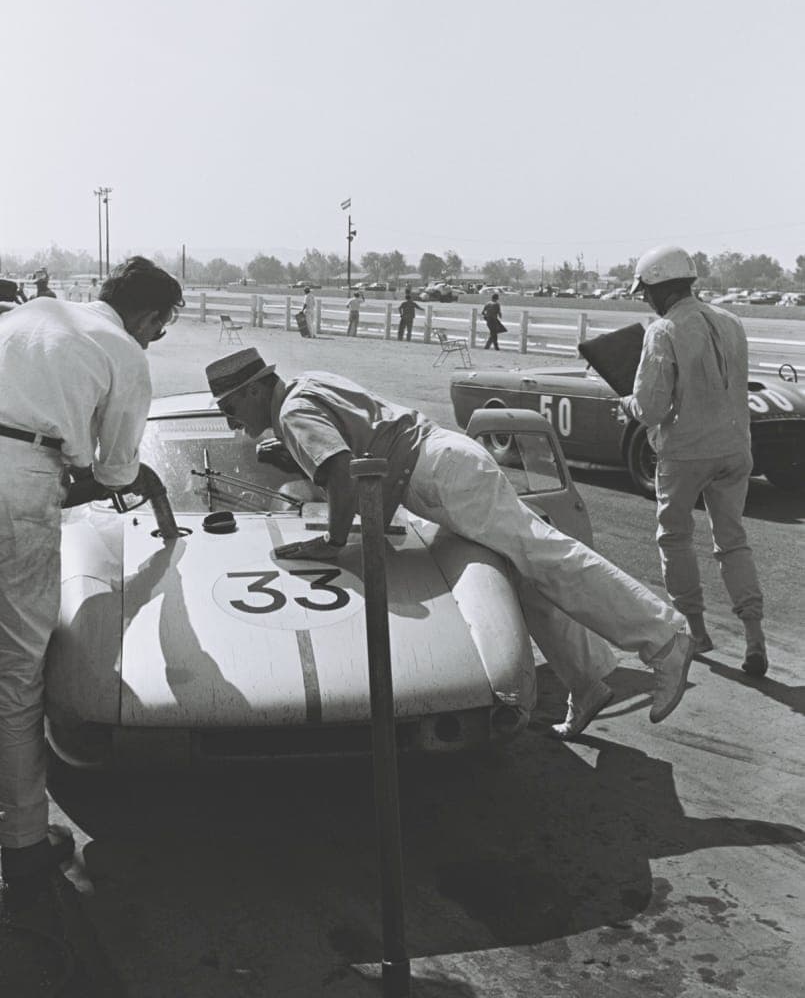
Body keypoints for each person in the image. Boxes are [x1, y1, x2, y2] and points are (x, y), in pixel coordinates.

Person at [205, 349, 695, 741]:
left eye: (230, 408)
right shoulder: (307, 384)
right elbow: (356, 449)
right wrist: (300, 459)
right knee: (523, 572)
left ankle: (664, 639)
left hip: (436, 474)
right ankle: (587, 682)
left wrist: (332, 542)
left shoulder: (291, 412)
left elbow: (340, 475)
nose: (231, 423)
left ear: (252, 391)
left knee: (543, 554)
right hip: (438, 464)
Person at [0, 256, 184, 904]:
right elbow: (114, 474)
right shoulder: (124, 353)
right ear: (149, 315)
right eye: (161, 325)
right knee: (18, 675)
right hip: (18, 487)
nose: (156, 337)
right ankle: (23, 844)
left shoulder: (28, 316)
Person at [621, 244, 768, 677]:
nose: (645, 299)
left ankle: (698, 631)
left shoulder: (662, 330)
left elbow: (649, 409)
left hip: (685, 452)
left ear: (660, 289)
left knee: (675, 537)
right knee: (733, 540)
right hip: (736, 447)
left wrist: (627, 402)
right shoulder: (732, 321)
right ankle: (755, 638)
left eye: (645, 291)